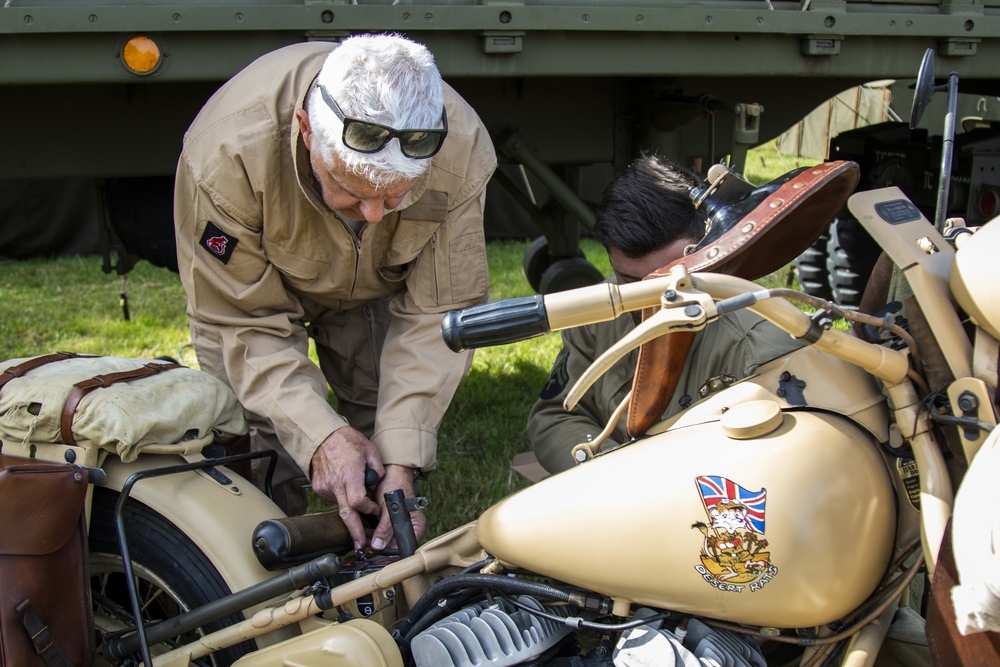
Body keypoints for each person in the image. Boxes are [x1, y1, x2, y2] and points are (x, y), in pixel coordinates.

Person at [174, 33, 497, 552]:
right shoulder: (227, 154)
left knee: (384, 448)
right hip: (257, 292)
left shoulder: (460, 150)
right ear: (305, 130)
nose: (374, 215)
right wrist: (318, 434)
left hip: (374, 292)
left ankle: (380, 565)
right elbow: (241, 323)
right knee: (261, 444)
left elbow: (439, 311)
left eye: (397, 196)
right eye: (351, 190)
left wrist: (401, 460)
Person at [527, 155, 802, 475]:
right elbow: (554, 417)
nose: (656, 296)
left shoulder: (759, 344)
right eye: (632, 281)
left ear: (706, 244)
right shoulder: (597, 315)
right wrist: (609, 474)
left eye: (671, 274)